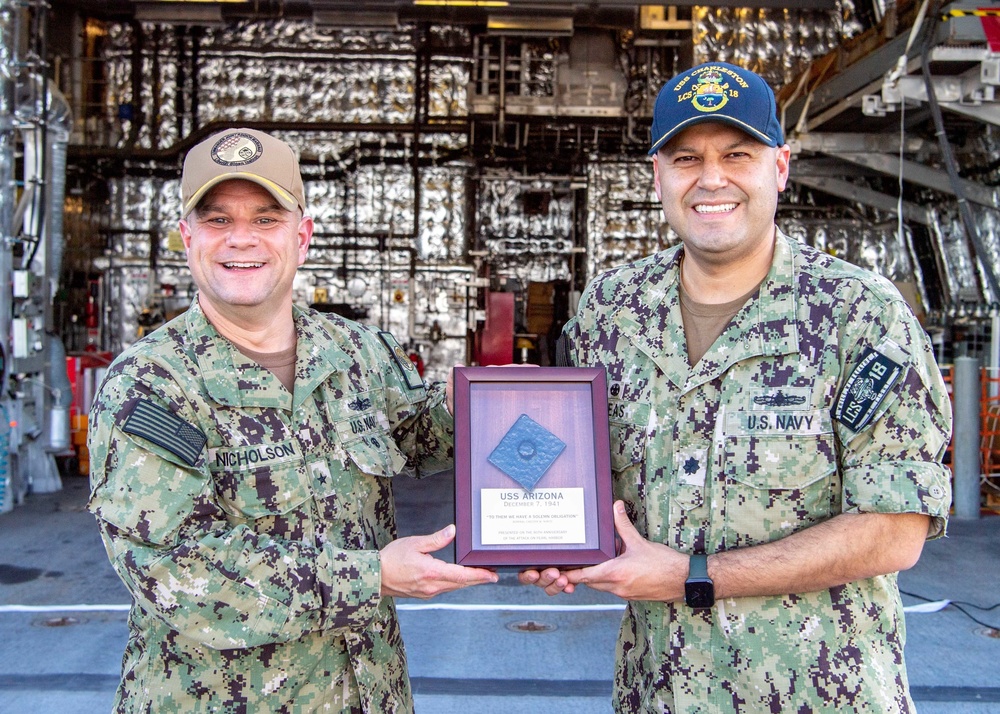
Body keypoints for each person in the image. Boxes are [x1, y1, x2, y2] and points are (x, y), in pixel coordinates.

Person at [521, 62, 953, 713]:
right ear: (659, 175)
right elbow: (596, 482)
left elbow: (895, 530)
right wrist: (558, 542)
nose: (711, 178)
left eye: (737, 154)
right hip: (660, 693)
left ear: (778, 167)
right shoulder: (612, 313)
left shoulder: (858, 314)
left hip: (820, 696)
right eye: (687, 157)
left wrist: (694, 579)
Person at [87, 128, 497, 713]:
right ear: (187, 237)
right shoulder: (150, 384)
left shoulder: (358, 353)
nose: (241, 240)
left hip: (367, 694)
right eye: (217, 220)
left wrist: (514, 401)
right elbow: (176, 571)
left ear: (301, 237)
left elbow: (431, 431)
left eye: (266, 218)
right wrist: (371, 577)